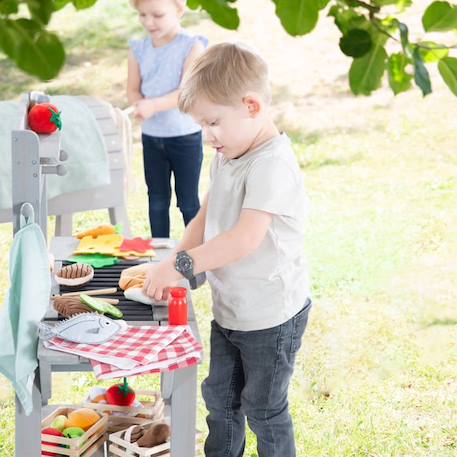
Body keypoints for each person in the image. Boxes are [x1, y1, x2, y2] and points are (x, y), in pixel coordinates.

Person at [143, 42, 312, 457]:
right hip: (232, 309)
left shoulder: (271, 163)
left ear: (251, 105)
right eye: (202, 124)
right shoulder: (230, 151)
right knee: (220, 400)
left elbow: (244, 239)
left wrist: (182, 266)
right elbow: (205, 215)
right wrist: (172, 261)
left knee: (264, 409)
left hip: (272, 317)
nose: (207, 135)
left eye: (213, 122)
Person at [127, 0, 207, 237]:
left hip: (185, 137)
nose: (148, 22)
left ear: (179, 11)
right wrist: (138, 104)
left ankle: (197, 256)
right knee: (157, 200)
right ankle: (160, 257)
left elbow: (186, 92)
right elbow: (133, 89)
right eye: (142, 14)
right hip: (152, 137)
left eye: (157, 15)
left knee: (188, 200)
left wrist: (153, 105)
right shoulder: (138, 49)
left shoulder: (192, 46)